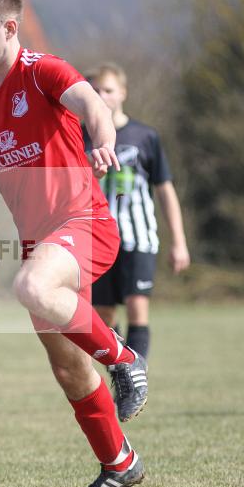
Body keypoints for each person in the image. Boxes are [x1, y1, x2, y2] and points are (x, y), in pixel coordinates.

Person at [0, 0, 149, 487]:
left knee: (31, 287)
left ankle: (125, 360)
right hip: (40, 243)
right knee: (68, 369)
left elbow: (95, 107)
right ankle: (120, 462)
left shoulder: (43, 71)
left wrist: (102, 142)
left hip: (83, 222)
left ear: (10, 27)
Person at [83, 63, 190, 360]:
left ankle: (137, 373)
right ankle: (122, 372)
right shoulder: (79, 136)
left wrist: (179, 242)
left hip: (138, 238)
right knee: (103, 316)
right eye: (93, 90)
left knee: (137, 306)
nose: (101, 96)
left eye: (107, 90)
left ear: (123, 94)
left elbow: (165, 190)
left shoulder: (145, 136)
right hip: (95, 240)